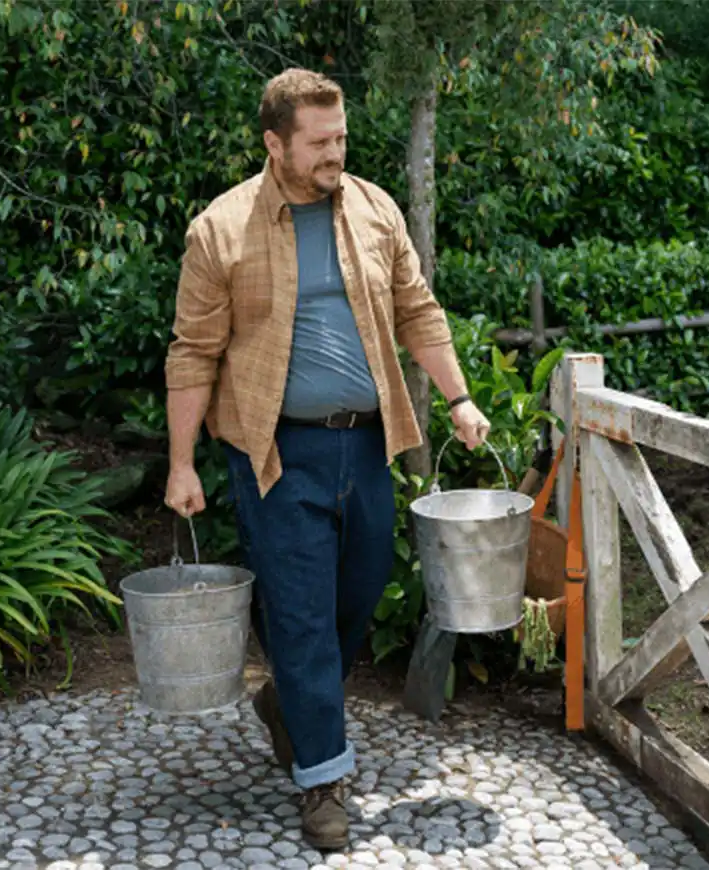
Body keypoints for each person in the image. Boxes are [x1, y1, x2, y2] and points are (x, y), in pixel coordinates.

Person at [162, 67, 490, 850]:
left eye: (340, 137)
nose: (334, 153)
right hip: (275, 452)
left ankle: (290, 703)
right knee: (303, 615)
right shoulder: (221, 228)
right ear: (274, 144)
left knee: (358, 590)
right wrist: (180, 464)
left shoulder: (373, 209)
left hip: (368, 444)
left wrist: (459, 398)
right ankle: (322, 780)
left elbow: (417, 309)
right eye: (318, 142)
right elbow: (192, 352)